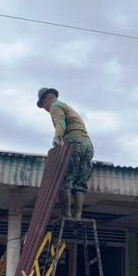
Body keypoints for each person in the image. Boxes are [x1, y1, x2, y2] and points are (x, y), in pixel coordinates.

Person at [37, 87, 94, 219]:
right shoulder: (67, 107)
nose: (45, 109)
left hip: (74, 143)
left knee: (65, 181)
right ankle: (77, 216)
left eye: (43, 105)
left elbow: (60, 123)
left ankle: (66, 216)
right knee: (80, 183)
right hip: (87, 145)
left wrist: (57, 137)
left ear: (46, 99)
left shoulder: (55, 107)